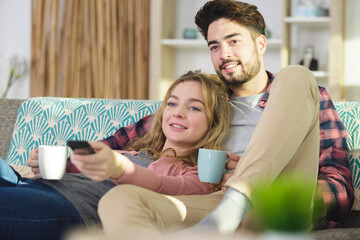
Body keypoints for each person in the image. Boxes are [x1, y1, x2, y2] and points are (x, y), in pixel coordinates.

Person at [97, 0, 353, 236]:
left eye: (234, 41)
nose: (224, 54)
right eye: (215, 46)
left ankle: (240, 198)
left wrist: (259, 185)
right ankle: (230, 210)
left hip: (276, 202)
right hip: (215, 206)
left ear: (260, 44)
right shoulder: (205, 100)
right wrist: (81, 159)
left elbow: (340, 186)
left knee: (297, 73)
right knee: (119, 200)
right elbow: (124, 140)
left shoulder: (303, 94)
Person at [0, 71, 231, 240]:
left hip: (71, 207)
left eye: (194, 108)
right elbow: (83, 160)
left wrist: (120, 167)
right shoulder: (135, 145)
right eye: (172, 103)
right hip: (37, 185)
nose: (178, 113)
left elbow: (162, 185)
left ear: (214, 122)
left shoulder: (197, 172)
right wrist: (48, 165)